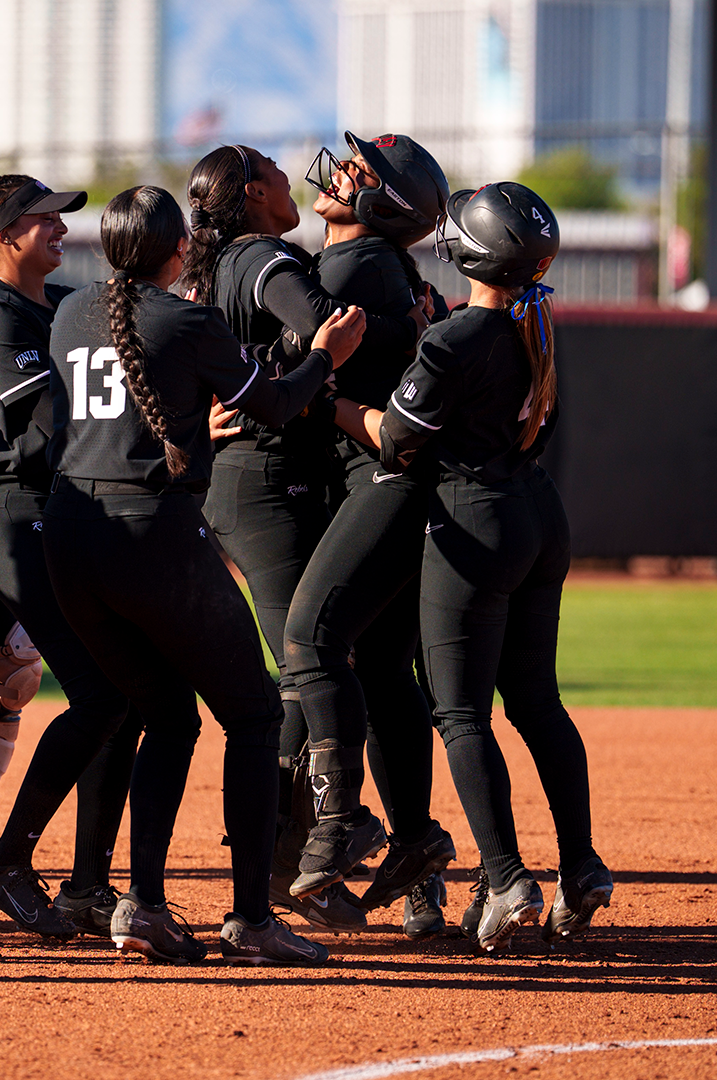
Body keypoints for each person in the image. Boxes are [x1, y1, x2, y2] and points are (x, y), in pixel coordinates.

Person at [41, 184, 364, 965]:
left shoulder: (71, 311)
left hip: (70, 535)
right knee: (253, 715)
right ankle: (251, 918)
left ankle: (143, 906)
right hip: (150, 534)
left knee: (168, 715)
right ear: (178, 249)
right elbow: (276, 405)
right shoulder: (189, 321)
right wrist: (326, 354)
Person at [344, 181, 613, 954]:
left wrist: (328, 399)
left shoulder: (456, 338)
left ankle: (505, 878)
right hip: (538, 512)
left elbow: (396, 439)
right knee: (537, 704)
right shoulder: (537, 319)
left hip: (476, 521)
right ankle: (581, 868)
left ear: (471, 253)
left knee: (460, 712)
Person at [180, 142, 427, 934]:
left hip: (256, 479)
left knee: (307, 664)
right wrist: (412, 326)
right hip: (262, 480)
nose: (298, 174)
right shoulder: (266, 258)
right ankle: (324, 835)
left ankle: (296, 861)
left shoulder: (219, 264)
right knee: (308, 655)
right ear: (254, 194)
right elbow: (329, 327)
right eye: (275, 171)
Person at [0, 173, 145, 939]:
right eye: (45, 218)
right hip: (16, 517)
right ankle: (5, 861)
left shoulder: (57, 305)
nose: (60, 228)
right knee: (101, 693)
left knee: (124, 695)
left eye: (60, 218)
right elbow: (58, 417)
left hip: (62, 515)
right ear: (4, 237)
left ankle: (87, 883)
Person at [282, 132, 457, 937]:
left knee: (312, 637)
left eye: (363, 172)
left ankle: (343, 825)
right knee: (385, 671)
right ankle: (418, 851)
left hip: (382, 483)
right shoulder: (387, 268)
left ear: (387, 204)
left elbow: (284, 355)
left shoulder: (353, 265)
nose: (343, 172)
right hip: (384, 484)